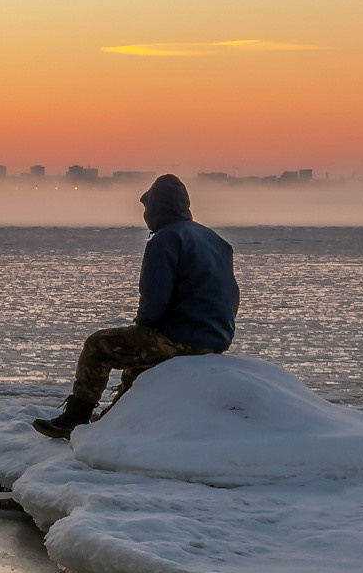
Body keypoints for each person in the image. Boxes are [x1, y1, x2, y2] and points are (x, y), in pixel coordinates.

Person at [32, 174, 238, 439]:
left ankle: (75, 417)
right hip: (216, 340)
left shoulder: (165, 239)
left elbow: (154, 301)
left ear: (156, 207)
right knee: (136, 365)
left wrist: (143, 325)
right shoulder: (215, 241)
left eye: (146, 207)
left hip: (182, 340)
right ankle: (113, 420)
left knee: (99, 345)